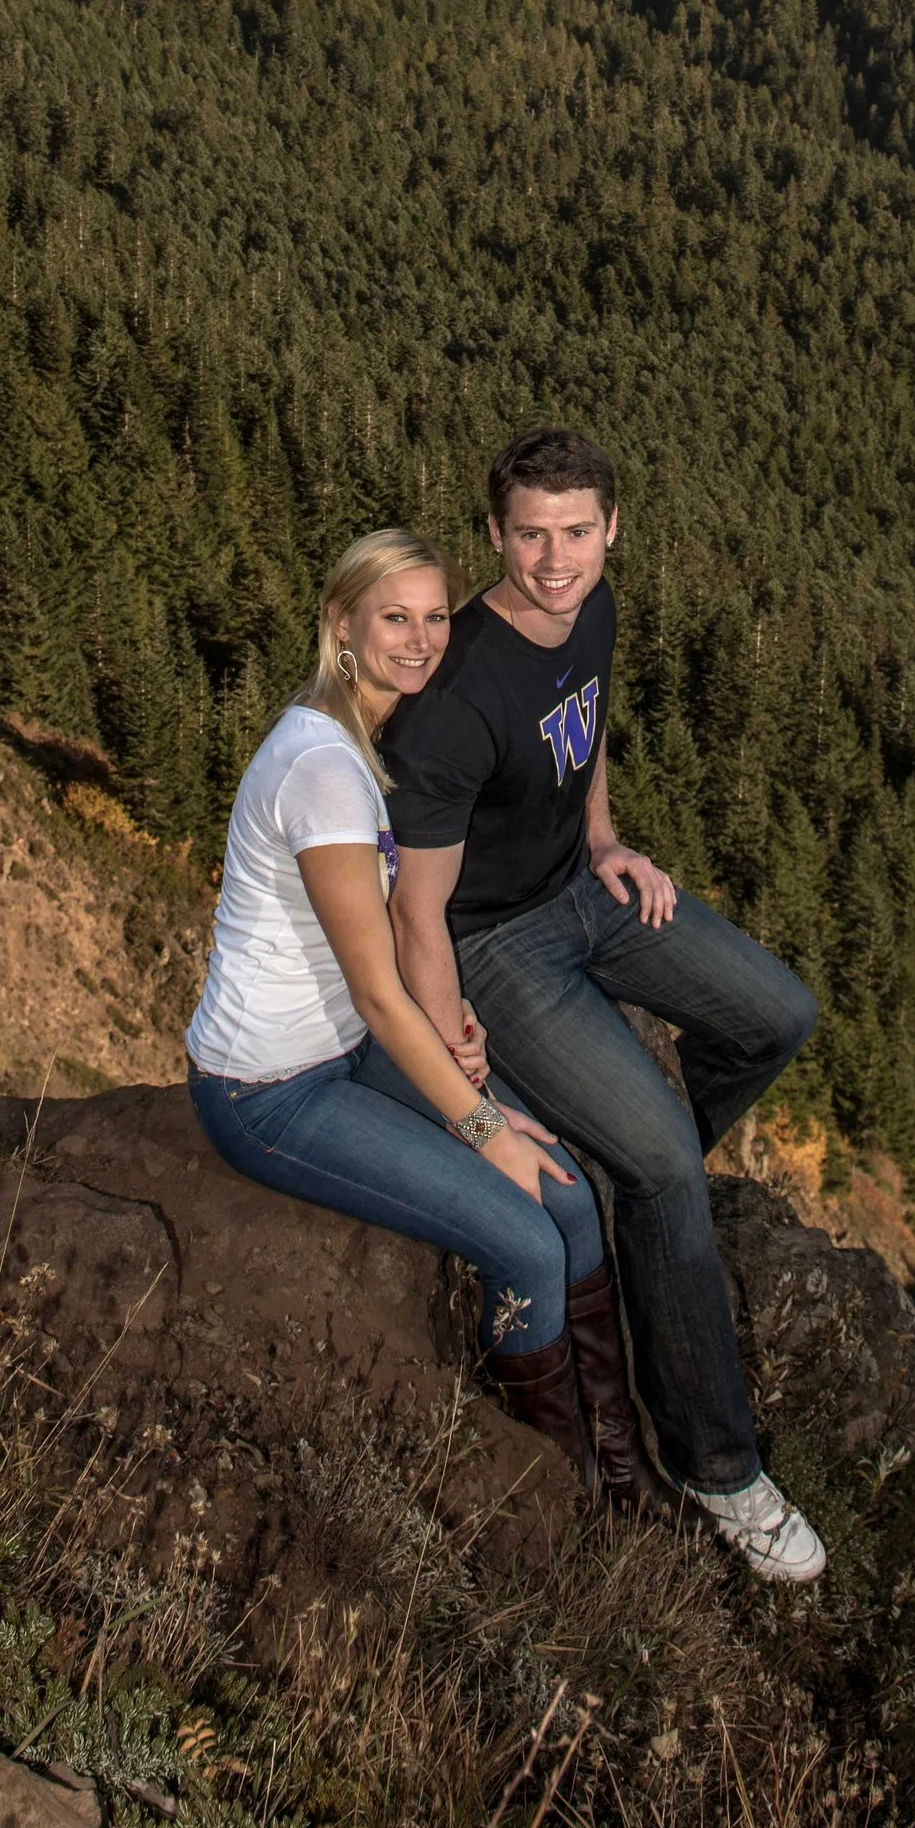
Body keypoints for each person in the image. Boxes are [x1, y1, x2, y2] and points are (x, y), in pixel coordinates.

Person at [385, 427, 827, 1582]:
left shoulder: (595, 608)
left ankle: (644, 1185)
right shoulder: (454, 696)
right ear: (494, 533)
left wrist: (604, 838)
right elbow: (416, 909)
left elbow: (583, 731)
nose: (554, 558)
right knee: (670, 1167)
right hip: (496, 943)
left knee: (774, 1014)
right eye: (529, 533)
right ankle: (718, 1466)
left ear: (611, 530)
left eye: (576, 531)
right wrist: (456, 1050)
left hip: (583, 888)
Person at [184, 525, 645, 1489]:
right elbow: (375, 990)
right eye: (395, 618)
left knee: (563, 1188)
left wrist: (457, 1045)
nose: (423, 639)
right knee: (524, 1236)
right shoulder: (324, 772)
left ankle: (619, 1450)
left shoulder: (362, 733)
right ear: (340, 624)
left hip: (348, 1048)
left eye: (436, 617)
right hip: (270, 1090)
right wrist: (479, 1124)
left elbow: (390, 956)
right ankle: (563, 1486)